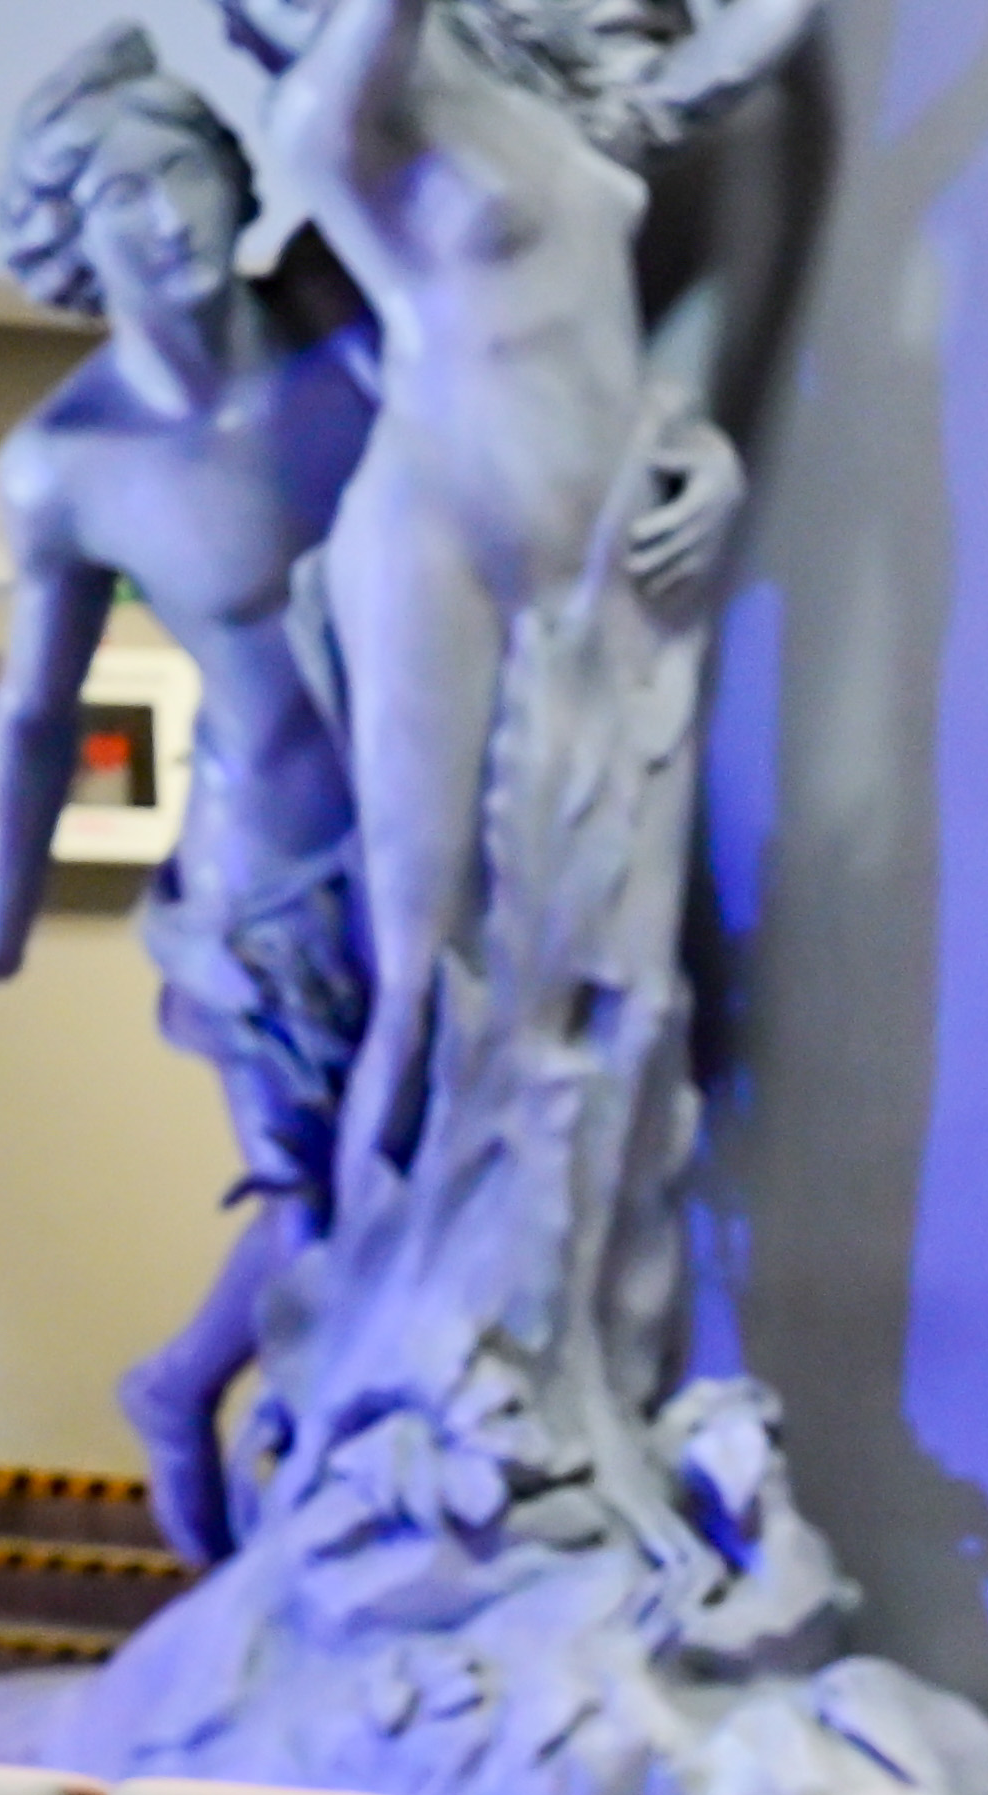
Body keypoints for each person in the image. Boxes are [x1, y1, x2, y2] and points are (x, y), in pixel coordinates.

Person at [0, 27, 376, 1563]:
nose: (171, 218)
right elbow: (36, 714)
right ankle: (225, 1423)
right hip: (270, 880)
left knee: (438, 1177)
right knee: (323, 1205)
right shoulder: (72, 464)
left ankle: (216, 1401)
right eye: (123, 198)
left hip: (441, 824)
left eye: (186, 172)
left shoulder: (344, 314)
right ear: (70, 245)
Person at [231, 0, 796, 1205]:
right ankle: (381, 1289)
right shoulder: (330, 122)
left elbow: (745, 53)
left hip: (606, 561)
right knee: (425, 971)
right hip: (441, 540)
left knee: (624, 991)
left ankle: (571, 1302)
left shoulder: (549, 101)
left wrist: (691, 442)